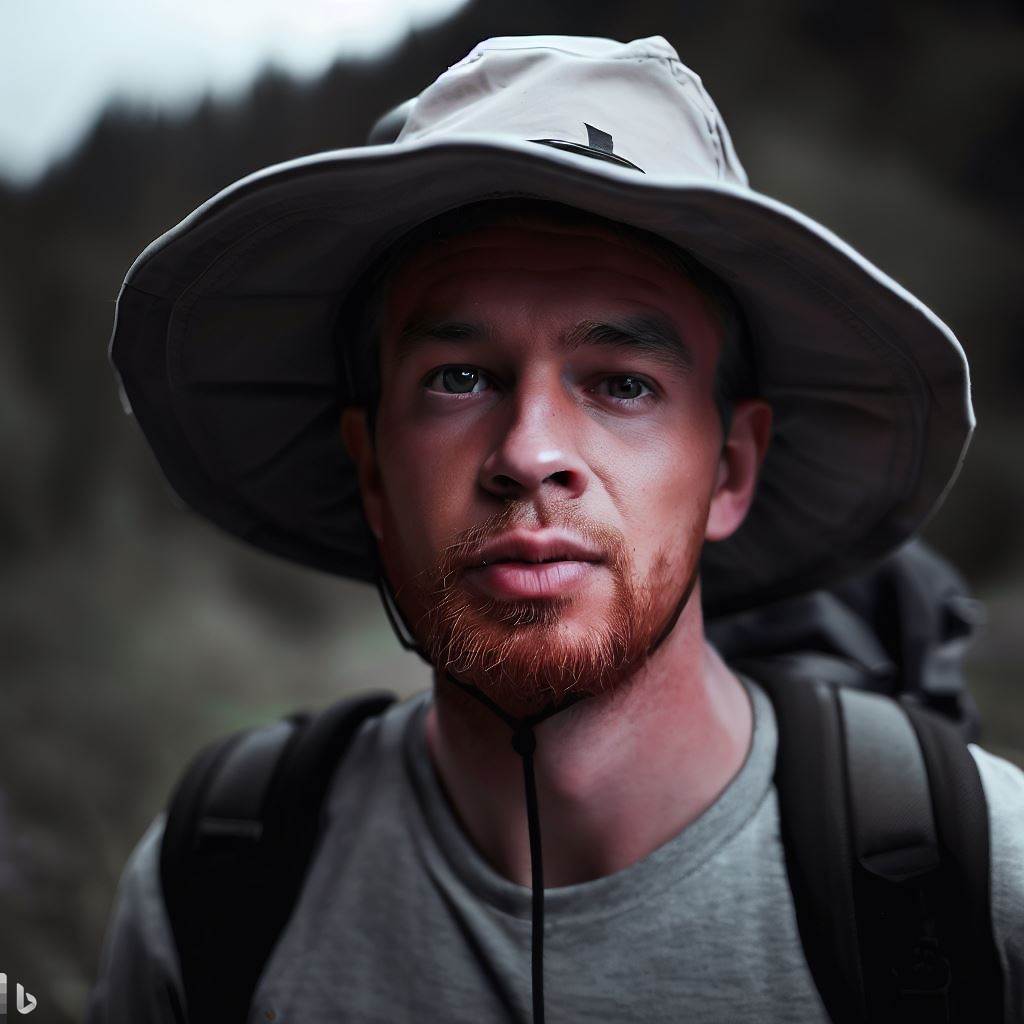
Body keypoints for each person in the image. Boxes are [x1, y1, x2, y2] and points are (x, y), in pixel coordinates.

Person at [86, 34, 1023, 1023]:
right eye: (457, 378)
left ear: (730, 470)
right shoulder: (216, 885)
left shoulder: (984, 888)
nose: (529, 453)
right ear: (369, 465)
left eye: (622, 383)